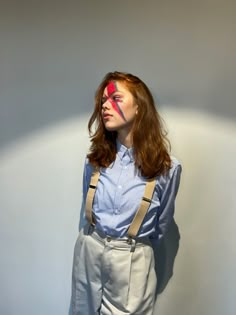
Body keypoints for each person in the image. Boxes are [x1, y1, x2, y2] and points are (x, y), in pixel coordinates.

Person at [71, 71, 182, 315]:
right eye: (103, 102)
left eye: (115, 99)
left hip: (132, 258)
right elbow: (88, 206)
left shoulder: (167, 169)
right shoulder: (94, 161)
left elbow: (160, 227)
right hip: (90, 249)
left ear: (140, 106)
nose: (105, 107)